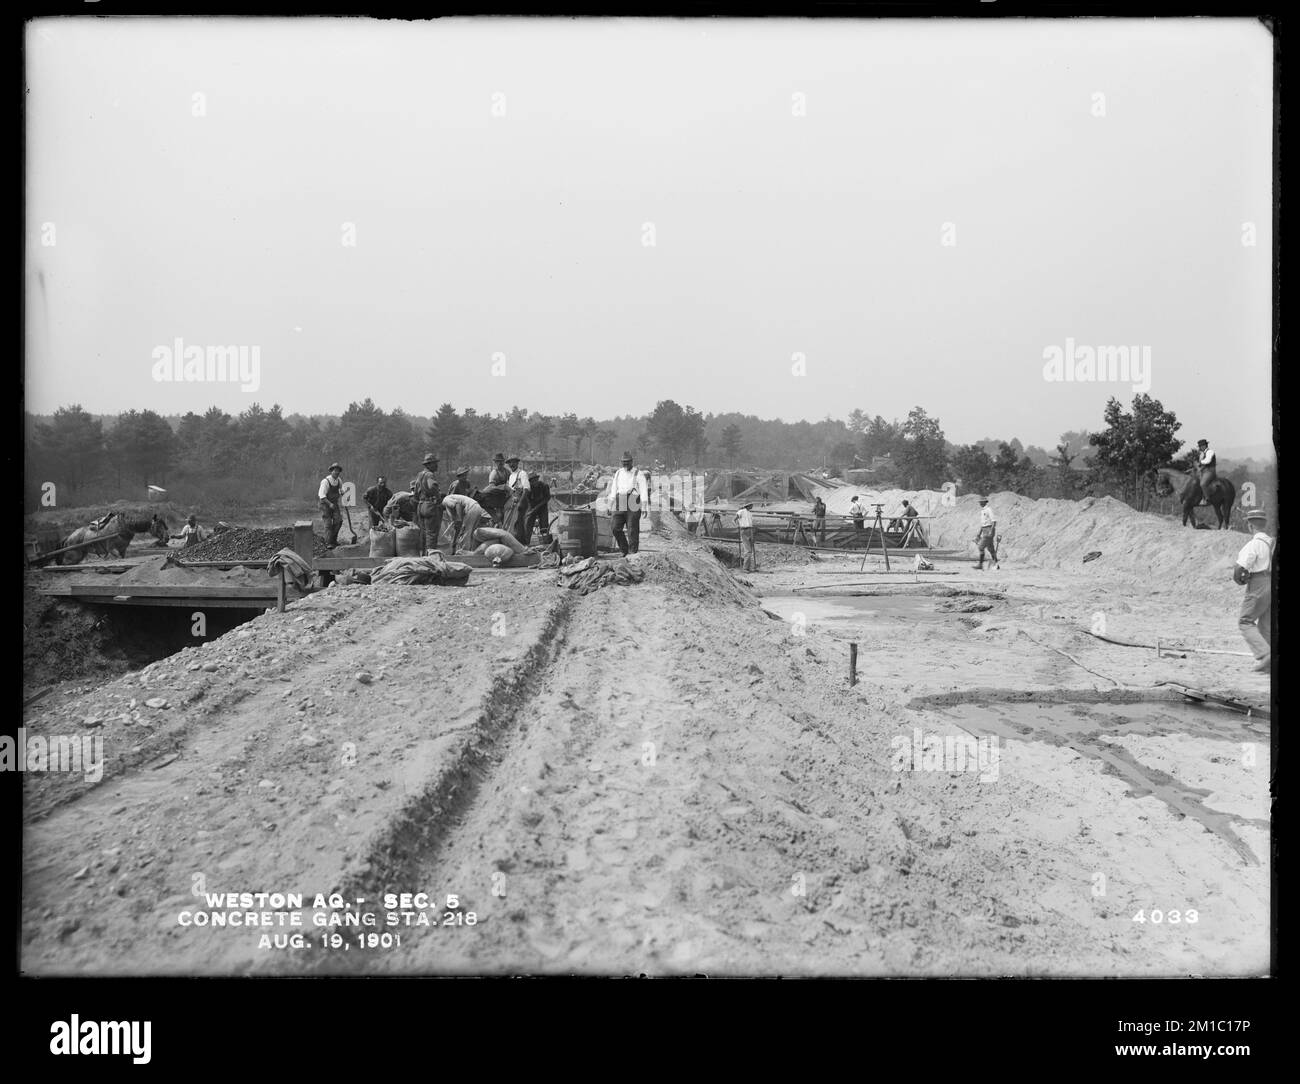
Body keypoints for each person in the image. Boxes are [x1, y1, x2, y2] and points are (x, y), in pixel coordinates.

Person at [1233, 507, 1273, 671]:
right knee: (1266, 624)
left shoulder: (1253, 545)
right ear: (1264, 524)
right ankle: (1268, 665)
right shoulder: (1273, 542)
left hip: (1258, 583)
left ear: (1250, 526)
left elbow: (1240, 568)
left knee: (1245, 621)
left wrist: (1240, 579)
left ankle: (1265, 654)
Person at [606, 451, 649, 556]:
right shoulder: (618, 473)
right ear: (621, 462)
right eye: (623, 462)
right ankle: (624, 549)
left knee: (632, 529)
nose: (625, 464)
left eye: (627, 462)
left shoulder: (638, 474)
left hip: (633, 500)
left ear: (631, 462)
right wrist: (609, 505)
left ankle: (632, 552)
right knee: (615, 527)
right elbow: (613, 489)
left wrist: (644, 507)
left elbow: (643, 491)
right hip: (620, 500)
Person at [412, 453, 443, 556]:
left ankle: (424, 555)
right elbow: (432, 486)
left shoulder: (419, 475)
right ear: (429, 465)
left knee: (424, 533)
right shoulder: (429, 475)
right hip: (429, 505)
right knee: (432, 534)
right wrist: (438, 498)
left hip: (420, 505)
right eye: (435, 464)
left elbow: (415, 493)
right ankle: (431, 557)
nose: (437, 466)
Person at [501, 455, 531, 543]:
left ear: (517, 463)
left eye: (514, 462)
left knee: (518, 522)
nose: (512, 464)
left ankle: (521, 543)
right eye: (510, 463)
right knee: (510, 522)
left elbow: (526, 489)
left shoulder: (522, 473)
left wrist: (521, 502)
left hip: (520, 499)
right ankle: (512, 541)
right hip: (512, 499)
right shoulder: (510, 476)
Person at [318, 462, 345, 548]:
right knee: (328, 523)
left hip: (334, 503)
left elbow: (341, 489)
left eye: (338, 471)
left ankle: (333, 540)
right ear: (331, 471)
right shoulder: (325, 481)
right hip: (325, 504)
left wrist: (342, 492)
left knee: (338, 521)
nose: (336, 472)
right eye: (335, 471)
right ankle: (328, 543)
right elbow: (321, 495)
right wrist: (329, 504)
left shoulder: (339, 480)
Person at [524, 471, 553, 544]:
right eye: (532, 481)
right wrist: (531, 509)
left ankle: (545, 542)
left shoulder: (544, 486)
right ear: (530, 482)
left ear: (537, 479)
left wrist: (537, 507)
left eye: (535, 480)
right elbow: (527, 500)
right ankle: (526, 542)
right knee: (528, 524)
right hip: (532, 506)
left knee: (544, 525)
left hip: (542, 506)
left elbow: (547, 498)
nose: (534, 482)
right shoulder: (528, 488)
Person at [974, 496, 1000, 570]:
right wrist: (979, 533)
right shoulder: (982, 511)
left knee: (980, 547)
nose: (980, 503)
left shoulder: (988, 510)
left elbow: (993, 521)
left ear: (984, 502)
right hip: (985, 529)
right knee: (991, 549)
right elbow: (983, 524)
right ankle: (996, 564)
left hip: (988, 530)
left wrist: (991, 531)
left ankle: (980, 564)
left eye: (981, 502)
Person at [735, 501, 757, 572]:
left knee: (751, 549)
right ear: (748, 505)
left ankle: (751, 567)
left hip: (750, 530)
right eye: (751, 505)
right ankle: (745, 568)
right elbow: (733, 519)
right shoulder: (741, 511)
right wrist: (737, 526)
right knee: (748, 550)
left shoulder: (750, 513)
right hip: (744, 530)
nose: (752, 506)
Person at [1196, 439, 1217, 503]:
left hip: (1210, 471)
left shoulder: (1210, 452)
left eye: (1200, 446)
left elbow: (1208, 461)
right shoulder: (1202, 454)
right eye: (1199, 446)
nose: (1199, 448)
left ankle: (1207, 499)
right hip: (1203, 471)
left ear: (1204, 446)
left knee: (1203, 484)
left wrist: (1200, 462)